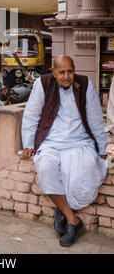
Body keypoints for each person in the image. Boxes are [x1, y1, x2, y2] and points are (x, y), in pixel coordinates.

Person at [21, 55, 107, 247]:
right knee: (45, 168)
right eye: (62, 72)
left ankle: (61, 211)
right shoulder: (42, 84)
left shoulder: (85, 84)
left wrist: (101, 148)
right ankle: (73, 220)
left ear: (74, 70)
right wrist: (28, 144)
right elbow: (31, 116)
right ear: (54, 72)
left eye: (70, 71)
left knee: (88, 168)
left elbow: (95, 119)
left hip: (80, 142)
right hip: (50, 142)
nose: (67, 76)